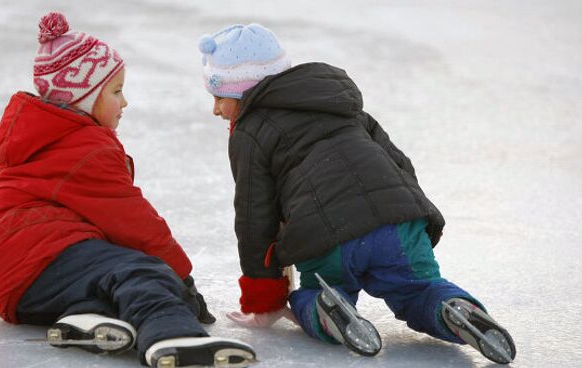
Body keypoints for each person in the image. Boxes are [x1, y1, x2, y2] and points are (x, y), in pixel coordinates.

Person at [197, 23, 517, 364]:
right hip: (399, 222)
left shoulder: (250, 132)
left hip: (326, 238)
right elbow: (399, 163)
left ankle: (326, 310)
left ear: (246, 93)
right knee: (419, 291)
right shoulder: (342, 105)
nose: (216, 109)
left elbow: (254, 217)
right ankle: (453, 309)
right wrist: (421, 223)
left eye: (220, 98)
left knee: (317, 293)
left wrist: (265, 299)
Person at [0, 12, 255, 368]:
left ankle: (84, 319)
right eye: (116, 91)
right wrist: (181, 277)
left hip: (12, 280)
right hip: (40, 255)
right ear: (82, 99)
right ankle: (172, 334)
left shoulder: (44, 138)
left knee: (105, 279)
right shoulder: (87, 147)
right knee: (142, 272)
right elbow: (134, 223)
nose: (125, 103)